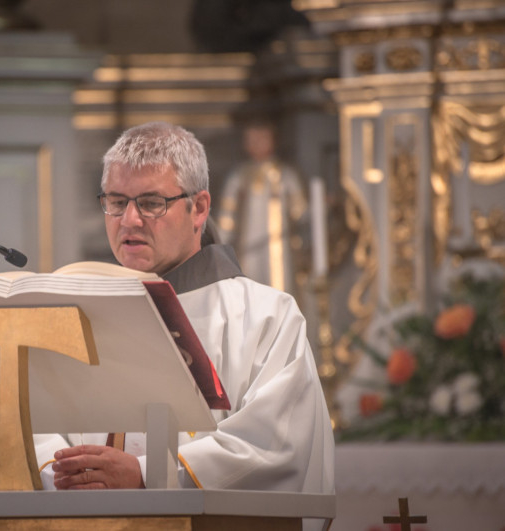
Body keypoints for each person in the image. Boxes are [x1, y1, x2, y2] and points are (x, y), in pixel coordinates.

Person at [33, 122, 334, 511]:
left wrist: (145, 475)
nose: (129, 220)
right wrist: (65, 474)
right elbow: (33, 423)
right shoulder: (77, 313)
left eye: (151, 203)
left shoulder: (266, 317)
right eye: (117, 202)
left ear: (200, 208)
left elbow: (274, 443)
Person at [216, 122, 309, 297]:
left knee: (280, 292)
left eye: (262, 138)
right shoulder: (239, 176)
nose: (257, 143)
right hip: (248, 248)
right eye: (252, 139)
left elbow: (300, 212)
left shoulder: (286, 175)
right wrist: (220, 246)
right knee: (249, 292)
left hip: (278, 247)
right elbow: (227, 216)